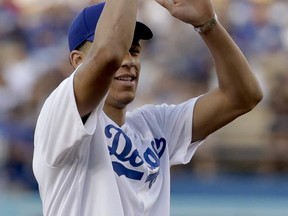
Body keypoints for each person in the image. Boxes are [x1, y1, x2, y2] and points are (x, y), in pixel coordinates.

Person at [32, 0, 263, 215]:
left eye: (134, 51)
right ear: (78, 60)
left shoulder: (153, 125)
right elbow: (108, 55)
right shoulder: (61, 112)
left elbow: (243, 96)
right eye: (123, 47)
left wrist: (207, 25)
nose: (128, 60)